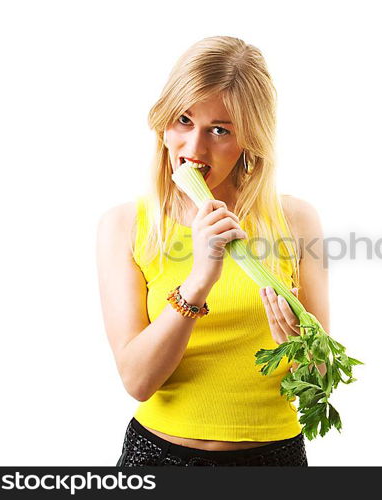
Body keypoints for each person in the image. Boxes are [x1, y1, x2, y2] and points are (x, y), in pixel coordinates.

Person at [95, 36, 329, 466]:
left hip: (273, 458)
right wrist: (199, 279)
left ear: (250, 139)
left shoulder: (295, 221)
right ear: (163, 123)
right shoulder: (125, 226)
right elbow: (137, 379)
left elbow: (322, 380)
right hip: (157, 456)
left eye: (219, 130)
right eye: (183, 120)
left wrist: (299, 349)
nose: (194, 150)